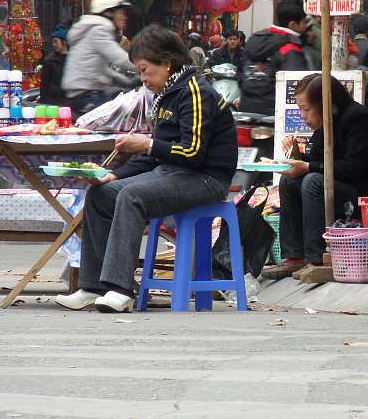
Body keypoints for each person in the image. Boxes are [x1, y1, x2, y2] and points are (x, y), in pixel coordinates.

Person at [55, 25, 237, 313]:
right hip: (172, 173)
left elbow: (192, 153)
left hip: (205, 178)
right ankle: (93, 286)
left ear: (166, 63)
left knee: (131, 196)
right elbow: (154, 157)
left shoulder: (195, 92)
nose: (143, 79)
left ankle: (120, 289)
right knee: (102, 195)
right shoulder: (167, 94)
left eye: (145, 70)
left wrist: (147, 144)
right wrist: (114, 174)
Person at [264, 73, 368, 279]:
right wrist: (297, 155)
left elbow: (352, 168)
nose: (303, 116)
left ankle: (316, 258)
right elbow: (317, 160)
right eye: (300, 110)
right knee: (289, 181)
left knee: (313, 182)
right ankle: (295, 257)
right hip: (352, 189)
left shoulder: (358, 119)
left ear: (325, 104)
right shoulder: (327, 122)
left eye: (306, 109)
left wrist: (307, 167)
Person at [62, 0, 136, 116]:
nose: (124, 17)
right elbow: (120, 58)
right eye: (121, 13)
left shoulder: (91, 30)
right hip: (89, 97)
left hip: (82, 95)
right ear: (108, 13)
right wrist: (146, 67)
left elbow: (100, 68)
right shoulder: (98, 30)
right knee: (122, 118)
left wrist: (125, 81)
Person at [240, 0, 309, 115]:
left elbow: (240, 74)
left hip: (245, 109)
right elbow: (297, 86)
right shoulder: (290, 49)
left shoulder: (254, 39)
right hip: (275, 114)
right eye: (304, 22)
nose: (307, 26)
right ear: (292, 24)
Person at [40, 24, 70, 106]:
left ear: (64, 41)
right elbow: (44, 85)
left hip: (70, 101)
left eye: (56, 41)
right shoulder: (49, 60)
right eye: (52, 42)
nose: (54, 44)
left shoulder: (73, 58)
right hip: (53, 102)